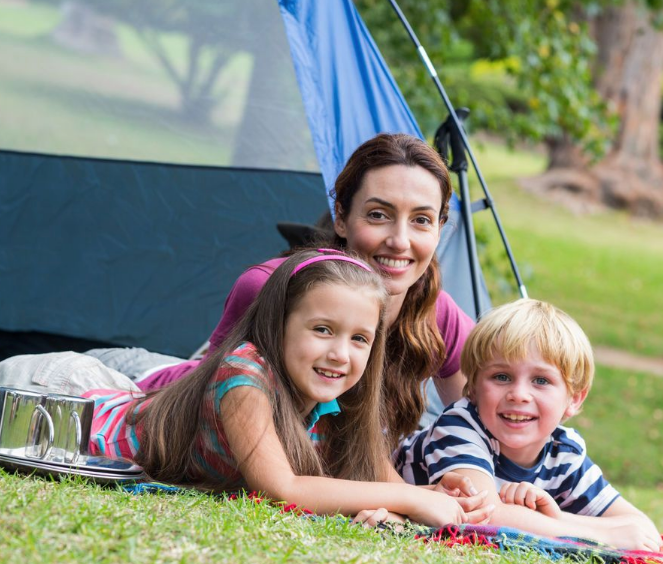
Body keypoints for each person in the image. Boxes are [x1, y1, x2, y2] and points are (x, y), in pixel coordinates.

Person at [0, 250, 492, 526]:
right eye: (322, 330)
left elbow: (373, 482)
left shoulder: (340, 400)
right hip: (62, 397)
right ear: (279, 324)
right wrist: (406, 497)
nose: (339, 353)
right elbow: (281, 490)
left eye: (359, 339)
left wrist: (422, 500)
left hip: (82, 408)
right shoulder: (245, 374)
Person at [97, 133, 474, 444]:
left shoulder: (437, 313)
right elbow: (215, 424)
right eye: (378, 215)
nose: (399, 240)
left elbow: (478, 427)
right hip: (130, 388)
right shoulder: (271, 287)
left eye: (422, 220)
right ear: (340, 217)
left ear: (440, 228)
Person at [394, 299, 662, 550]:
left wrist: (558, 518)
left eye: (541, 381)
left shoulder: (564, 452)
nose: (519, 394)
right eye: (501, 377)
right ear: (472, 387)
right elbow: (483, 516)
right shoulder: (459, 426)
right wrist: (601, 534)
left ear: (574, 398)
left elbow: (641, 527)